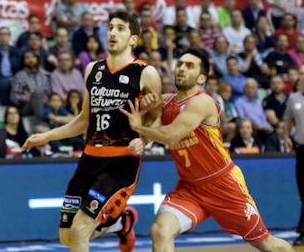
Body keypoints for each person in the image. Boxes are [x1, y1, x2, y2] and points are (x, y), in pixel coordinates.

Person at [122, 49, 293, 252]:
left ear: (201, 78)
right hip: (190, 188)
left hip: (223, 184)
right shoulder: (166, 102)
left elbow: (170, 135)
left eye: (189, 66)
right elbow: (151, 132)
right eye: (180, 64)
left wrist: (138, 127)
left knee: (267, 244)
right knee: (160, 230)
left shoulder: (202, 102)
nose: (182, 69)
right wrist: (144, 116)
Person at [23, 11, 161, 252]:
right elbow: (82, 121)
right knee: (67, 237)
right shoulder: (92, 70)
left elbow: (157, 120)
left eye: (120, 28)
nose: (113, 33)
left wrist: (144, 140)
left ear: (133, 39)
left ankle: (117, 222)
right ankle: (121, 224)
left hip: (121, 162)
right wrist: (44, 136)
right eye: (110, 27)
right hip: (89, 159)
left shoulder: (145, 73)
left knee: (80, 230)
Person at [285, 74, 304, 246]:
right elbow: (288, 120)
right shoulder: (294, 98)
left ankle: (302, 232)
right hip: (301, 149)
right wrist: (286, 137)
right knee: (303, 191)